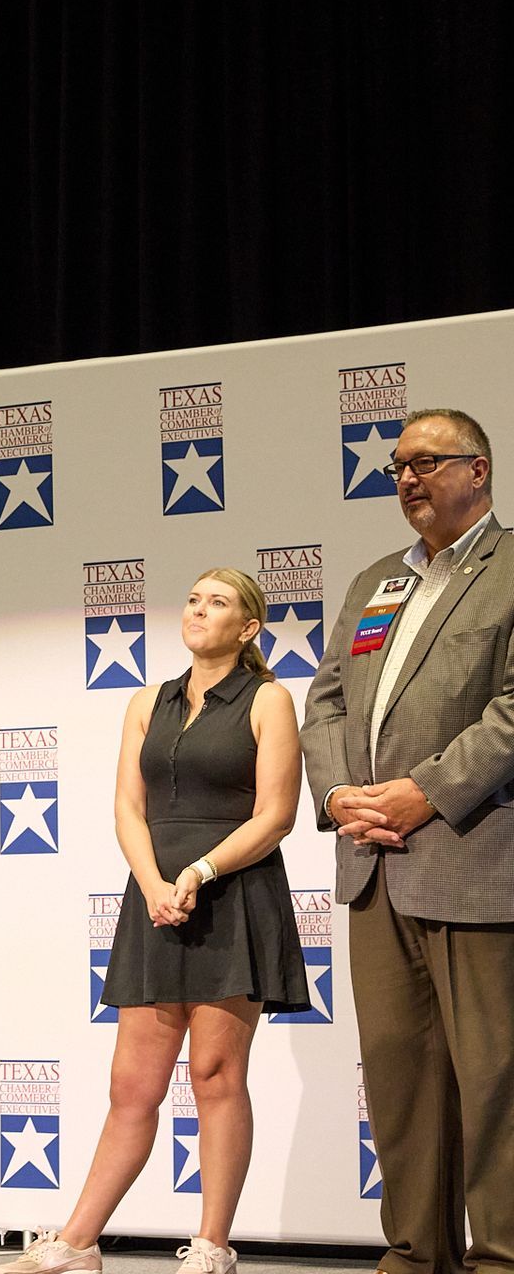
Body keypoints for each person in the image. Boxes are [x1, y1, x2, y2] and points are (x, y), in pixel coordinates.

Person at [0, 569, 308, 1274]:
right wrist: (153, 885)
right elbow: (127, 809)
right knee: (132, 1087)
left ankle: (213, 1246)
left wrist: (198, 873)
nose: (199, 610)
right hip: (155, 900)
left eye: (218, 603)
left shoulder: (269, 699)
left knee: (215, 1075)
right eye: (194, 599)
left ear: (248, 628)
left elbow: (276, 816)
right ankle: (77, 1243)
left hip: (233, 894)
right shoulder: (147, 701)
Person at [302, 408, 514, 1274]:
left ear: (479, 470)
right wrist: (338, 794)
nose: (408, 478)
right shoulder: (374, 582)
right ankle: (416, 1257)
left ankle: (501, 1259)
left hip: (475, 859)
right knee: (398, 1077)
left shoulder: (510, 568)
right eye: (398, 465)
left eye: (427, 462)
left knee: (495, 1081)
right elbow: (325, 702)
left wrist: (426, 791)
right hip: (373, 865)